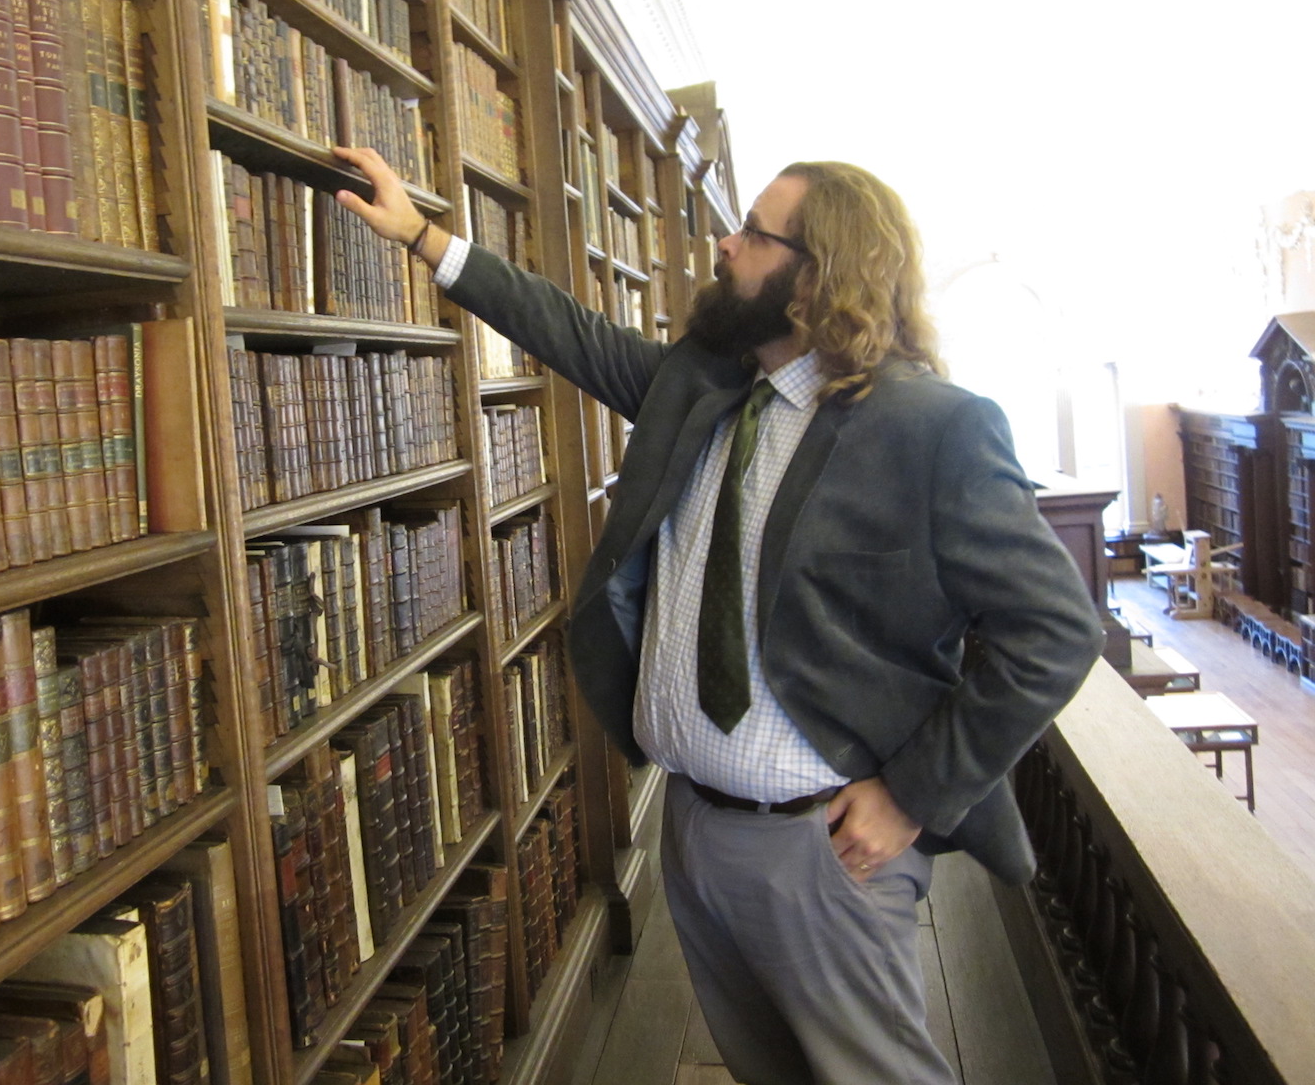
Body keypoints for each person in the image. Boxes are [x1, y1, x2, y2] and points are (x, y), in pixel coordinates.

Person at [333, 144, 1104, 1085]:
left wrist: (913, 792)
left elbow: (1056, 628)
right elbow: (571, 333)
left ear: (818, 276)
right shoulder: (704, 388)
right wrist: (422, 235)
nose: (724, 246)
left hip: (823, 853)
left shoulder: (933, 426)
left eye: (751, 233)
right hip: (695, 832)